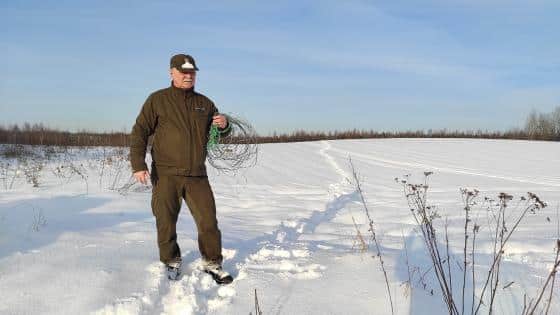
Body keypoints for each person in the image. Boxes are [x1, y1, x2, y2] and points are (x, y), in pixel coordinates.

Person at [129, 53, 233, 284]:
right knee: (165, 220)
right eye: (183, 72)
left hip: (197, 175)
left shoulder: (205, 103)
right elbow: (139, 132)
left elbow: (219, 133)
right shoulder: (157, 100)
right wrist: (138, 164)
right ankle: (171, 261)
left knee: (208, 221)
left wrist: (224, 125)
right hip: (166, 174)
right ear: (172, 72)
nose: (188, 76)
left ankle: (213, 263)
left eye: (192, 72)